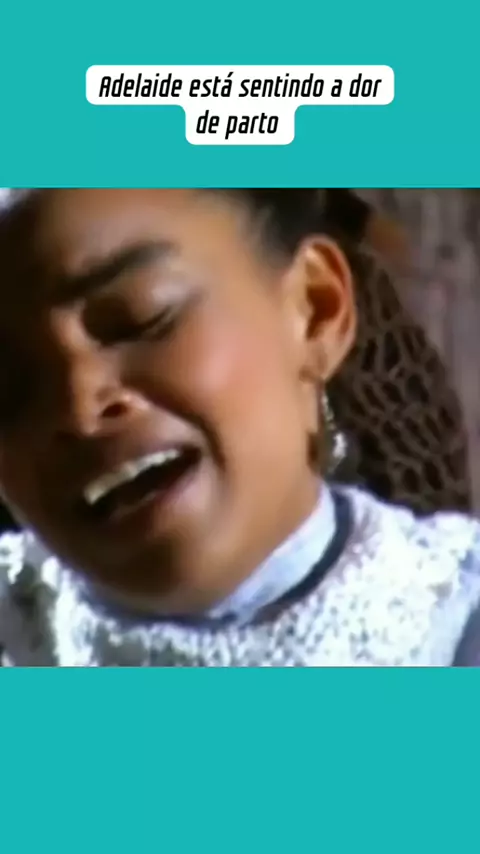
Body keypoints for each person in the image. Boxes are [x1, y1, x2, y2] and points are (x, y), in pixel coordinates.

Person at [0, 188, 479, 667]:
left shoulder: (454, 626)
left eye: (141, 317)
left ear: (314, 309)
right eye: (8, 385)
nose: (79, 410)